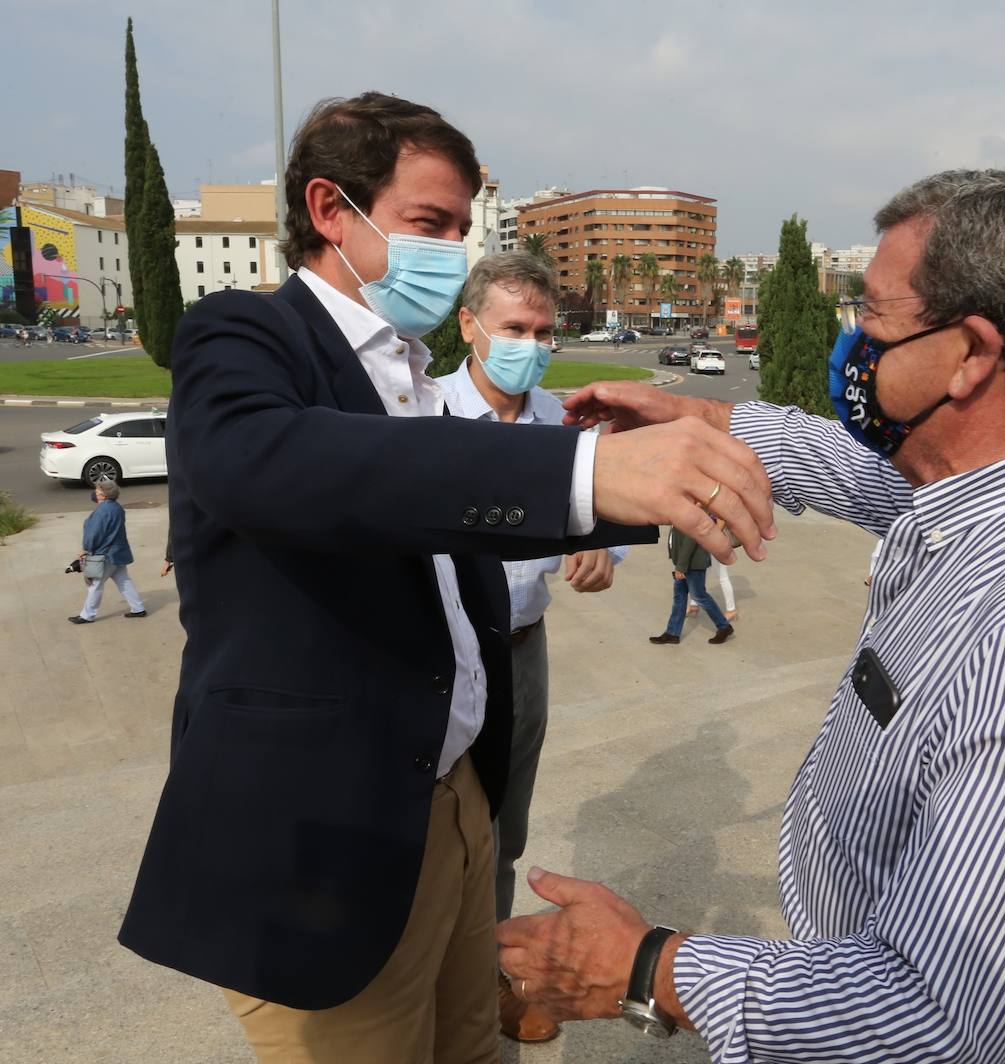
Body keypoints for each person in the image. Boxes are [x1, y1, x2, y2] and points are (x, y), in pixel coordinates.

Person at [116, 92, 774, 1064]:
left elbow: (450, 520)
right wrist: (579, 472)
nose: (453, 252)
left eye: (464, 229)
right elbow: (273, 464)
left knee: (471, 1047)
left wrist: (642, 486)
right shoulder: (244, 335)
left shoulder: (412, 372)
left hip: (453, 798)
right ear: (332, 209)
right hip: (331, 833)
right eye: (430, 223)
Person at [499, 167, 1005, 1063]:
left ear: (971, 355)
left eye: (871, 320)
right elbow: (857, 472)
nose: (851, 345)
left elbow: (929, 1010)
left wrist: (646, 969)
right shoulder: (1000, 489)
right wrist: (702, 417)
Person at [434, 250, 628, 1044]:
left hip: (521, 648)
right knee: (425, 830)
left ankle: (491, 979)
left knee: (503, 834)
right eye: (515, 327)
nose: (532, 344)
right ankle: (430, 984)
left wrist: (600, 555)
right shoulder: (422, 415)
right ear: (471, 325)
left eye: (545, 331)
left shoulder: (560, 425)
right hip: (438, 651)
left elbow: (600, 524)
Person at [68, 477, 147, 624]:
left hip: (104, 555)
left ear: (103, 495)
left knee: (95, 585)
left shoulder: (101, 512)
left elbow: (93, 534)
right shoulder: (117, 508)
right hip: (118, 553)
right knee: (124, 581)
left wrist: (86, 549)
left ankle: (87, 615)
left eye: (97, 490)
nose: (95, 492)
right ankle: (138, 608)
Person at [649, 527, 734, 645]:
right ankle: (672, 633)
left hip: (693, 563)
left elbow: (690, 541)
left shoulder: (690, 512)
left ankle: (724, 627)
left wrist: (680, 567)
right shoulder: (680, 510)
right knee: (679, 596)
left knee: (699, 595)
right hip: (683, 562)